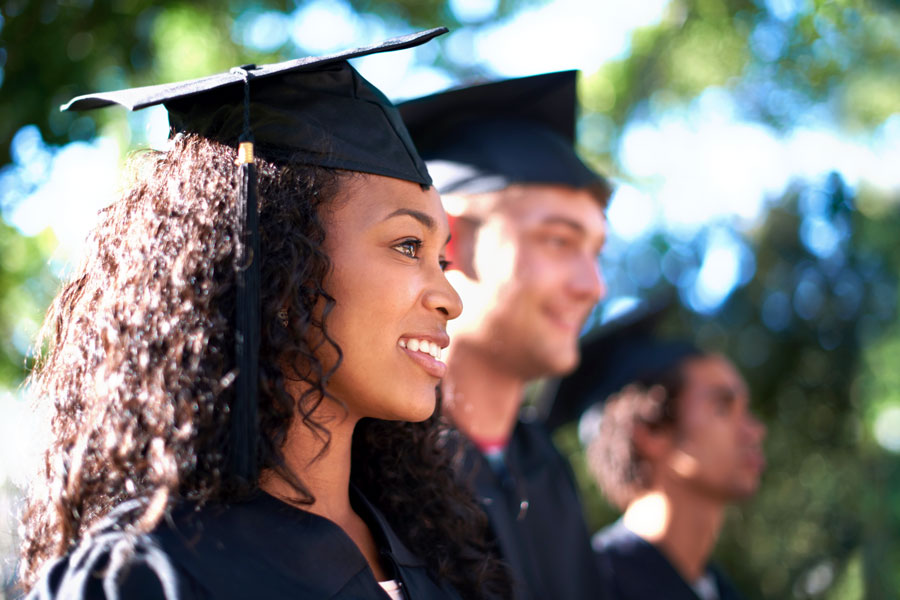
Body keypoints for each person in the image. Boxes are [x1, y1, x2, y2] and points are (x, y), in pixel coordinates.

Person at [19, 29, 509, 600]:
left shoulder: (445, 561)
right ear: (278, 258)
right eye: (407, 246)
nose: (450, 297)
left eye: (443, 258)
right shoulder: (151, 575)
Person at [399, 71, 611, 600]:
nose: (595, 286)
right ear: (451, 239)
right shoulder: (374, 464)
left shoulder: (549, 472)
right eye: (560, 241)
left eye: (597, 252)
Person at [570, 309, 766, 600]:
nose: (755, 431)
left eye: (745, 409)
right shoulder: (588, 587)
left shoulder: (720, 590)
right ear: (650, 432)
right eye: (723, 408)